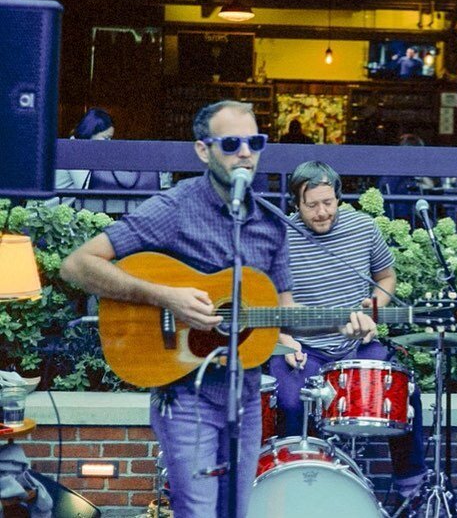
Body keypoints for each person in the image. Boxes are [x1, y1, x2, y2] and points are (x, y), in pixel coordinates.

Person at [59, 102, 376, 518]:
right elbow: (78, 265)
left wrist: (344, 323)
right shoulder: (175, 207)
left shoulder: (270, 223)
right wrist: (164, 296)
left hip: (244, 398)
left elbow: (285, 316)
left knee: (236, 512)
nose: (245, 152)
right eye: (231, 143)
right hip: (186, 393)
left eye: (254, 142)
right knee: (199, 511)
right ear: (204, 150)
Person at [269, 161, 427, 501]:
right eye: (312, 205)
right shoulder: (280, 238)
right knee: (290, 402)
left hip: (358, 346)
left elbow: (386, 278)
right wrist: (284, 340)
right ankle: (296, 494)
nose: (322, 212)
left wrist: (370, 312)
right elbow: (274, 303)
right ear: (296, 203)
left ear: (339, 198)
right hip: (303, 346)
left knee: (404, 392)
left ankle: (410, 488)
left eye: (329, 202)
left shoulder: (363, 227)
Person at [54, 108, 115, 196]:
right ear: (91, 132)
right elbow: (87, 190)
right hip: (46, 209)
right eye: (105, 138)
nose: (109, 143)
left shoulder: (76, 147)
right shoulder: (75, 151)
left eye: (110, 139)